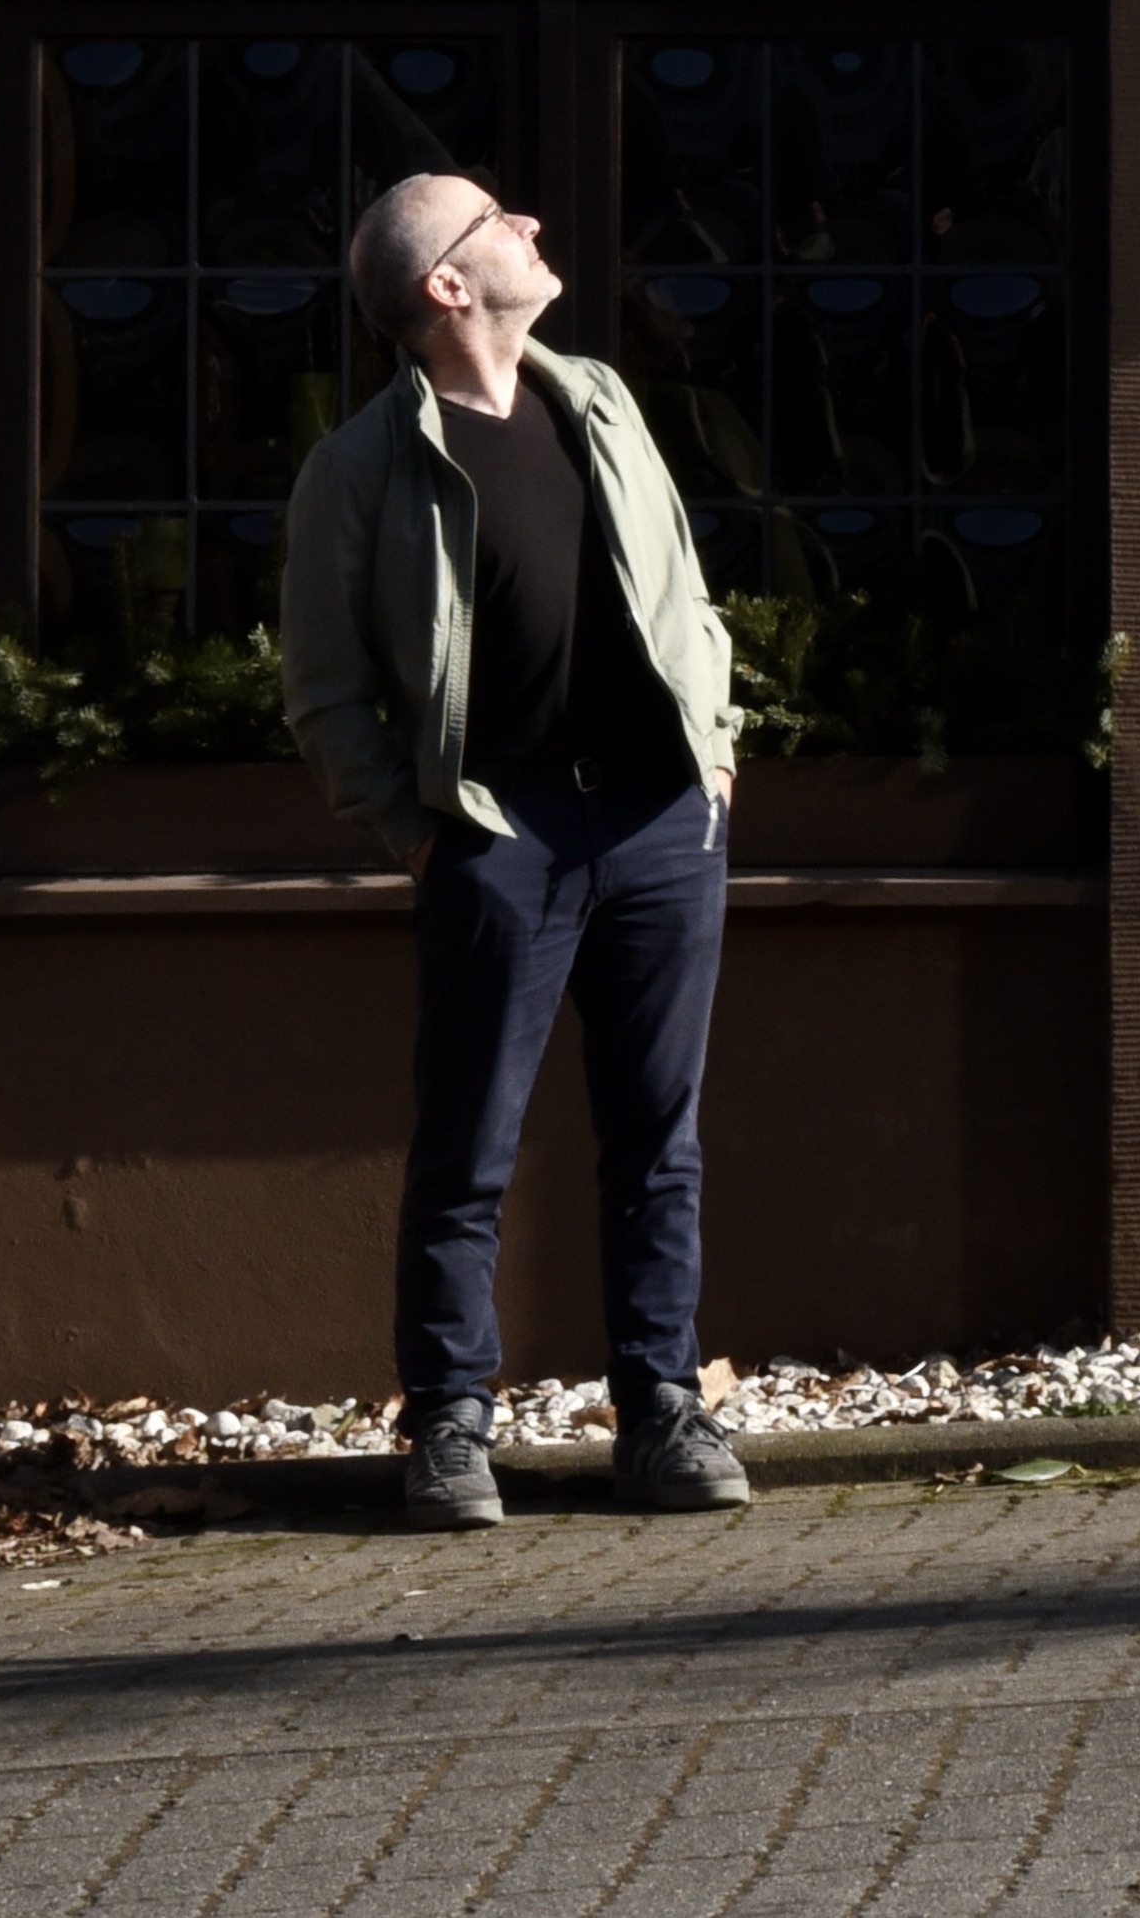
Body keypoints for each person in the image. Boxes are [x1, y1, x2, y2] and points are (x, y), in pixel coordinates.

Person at [282, 171, 755, 1532]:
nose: (535, 227)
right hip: (503, 834)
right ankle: (446, 1427)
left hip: (662, 817)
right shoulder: (361, 469)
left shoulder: (593, 396)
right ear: (446, 285)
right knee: (469, 1146)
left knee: (657, 1135)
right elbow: (324, 690)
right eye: (500, 220)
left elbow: (683, 582)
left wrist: (714, 746)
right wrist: (423, 835)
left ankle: (661, 1414)